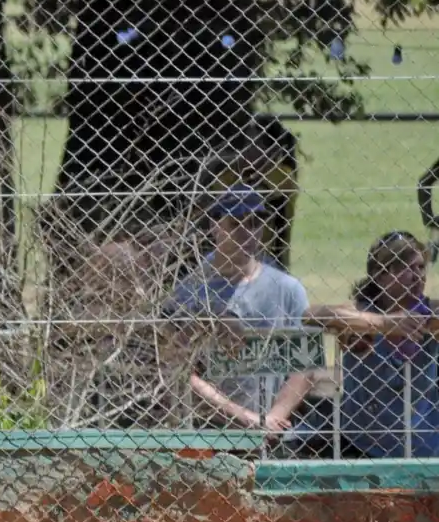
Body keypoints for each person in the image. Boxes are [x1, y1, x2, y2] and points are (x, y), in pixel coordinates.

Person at [163, 185, 313, 432]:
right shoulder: (189, 291)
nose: (247, 232)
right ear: (215, 226)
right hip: (206, 430)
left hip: (273, 429)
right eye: (236, 223)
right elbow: (178, 370)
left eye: (255, 223)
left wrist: (272, 419)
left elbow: (305, 369)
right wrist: (245, 418)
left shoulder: (286, 288)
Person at [288, 231, 439, 457]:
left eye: (420, 267)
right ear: (380, 276)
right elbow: (310, 315)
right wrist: (382, 324)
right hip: (362, 444)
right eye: (406, 268)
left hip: (424, 445)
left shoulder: (432, 313)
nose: (417, 276)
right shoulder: (359, 314)